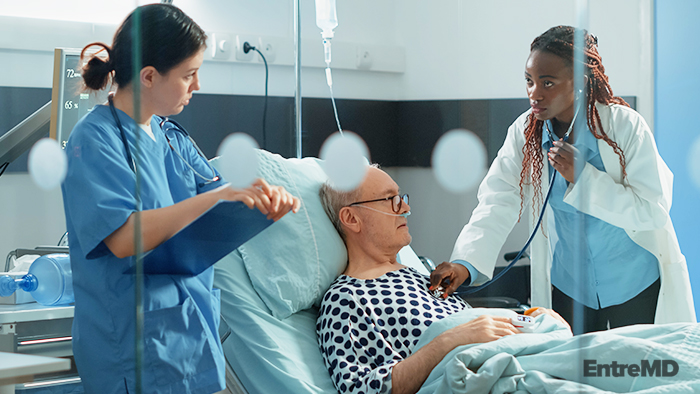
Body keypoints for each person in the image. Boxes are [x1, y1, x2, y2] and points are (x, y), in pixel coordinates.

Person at [61, 4, 300, 394]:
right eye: (189, 75)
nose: (198, 86)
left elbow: (216, 204)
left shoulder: (172, 137)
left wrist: (261, 203)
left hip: (192, 337)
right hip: (132, 347)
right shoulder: (94, 140)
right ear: (149, 76)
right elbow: (123, 237)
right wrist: (221, 195)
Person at [431, 25, 695, 334]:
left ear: (579, 83)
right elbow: (497, 201)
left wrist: (583, 179)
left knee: (635, 372)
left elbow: (652, 208)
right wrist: (465, 264)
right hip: (571, 285)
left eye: (548, 83)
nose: (534, 93)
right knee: (572, 373)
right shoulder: (525, 133)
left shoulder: (624, 126)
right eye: (529, 81)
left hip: (634, 283)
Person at [316, 166, 567, 394]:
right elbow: (358, 388)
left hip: (514, 359)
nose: (405, 208)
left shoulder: (420, 278)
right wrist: (448, 341)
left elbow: (470, 326)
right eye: (389, 200)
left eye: (400, 198)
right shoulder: (345, 299)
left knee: (598, 358)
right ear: (351, 218)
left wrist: (528, 319)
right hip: (484, 377)